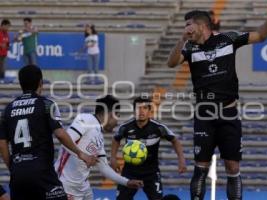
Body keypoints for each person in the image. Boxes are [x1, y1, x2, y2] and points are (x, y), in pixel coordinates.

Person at [167, 2, 267, 200]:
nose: (186, 29)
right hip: (204, 114)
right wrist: (181, 39)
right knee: (200, 168)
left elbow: (260, 36)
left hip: (228, 113)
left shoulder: (229, 38)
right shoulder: (190, 48)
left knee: (232, 167)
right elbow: (171, 63)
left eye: (188, 25)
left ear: (201, 26)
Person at [0, 65, 98, 200]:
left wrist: (12, 166)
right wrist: (80, 153)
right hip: (42, 172)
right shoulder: (47, 104)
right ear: (40, 82)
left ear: (21, 84)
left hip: (18, 173)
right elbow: (60, 134)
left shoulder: (8, 109)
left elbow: (2, 143)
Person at [55, 95, 144, 200]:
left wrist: (126, 182)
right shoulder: (86, 119)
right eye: (117, 116)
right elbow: (65, 139)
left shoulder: (99, 136)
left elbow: (103, 166)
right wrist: (82, 154)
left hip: (83, 187)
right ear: (111, 114)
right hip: (66, 186)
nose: (117, 122)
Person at [111, 97, 187, 200]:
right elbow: (116, 139)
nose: (141, 111)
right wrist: (113, 158)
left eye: (145, 108)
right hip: (130, 172)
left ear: (149, 111)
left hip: (151, 172)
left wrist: (181, 159)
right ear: (134, 111)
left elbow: (175, 140)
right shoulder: (125, 127)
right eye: (138, 108)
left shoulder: (158, 128)